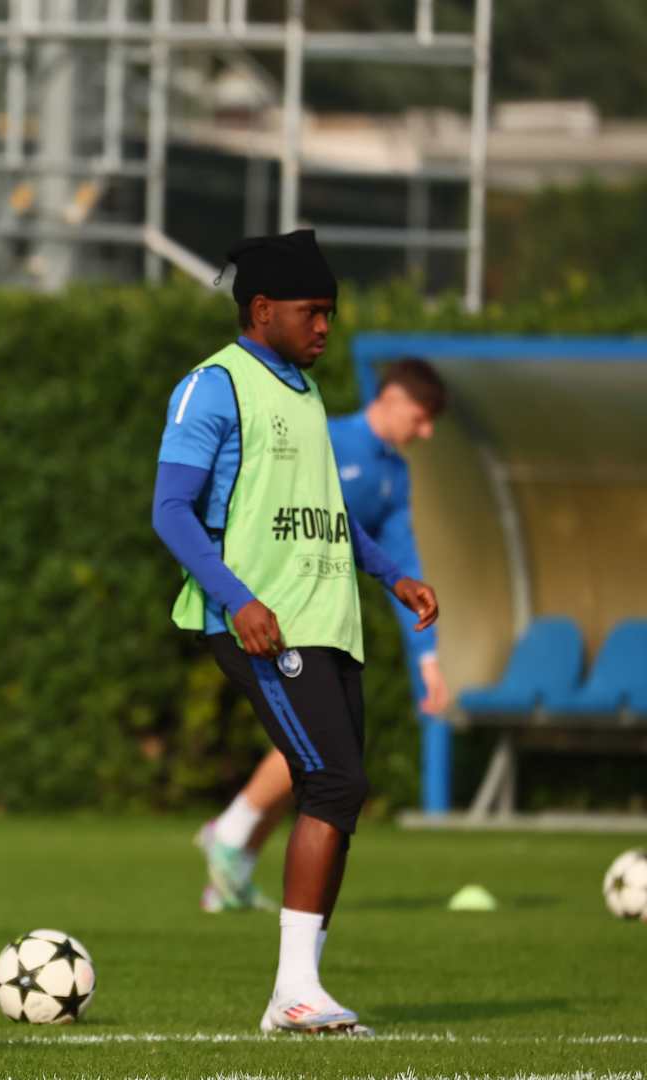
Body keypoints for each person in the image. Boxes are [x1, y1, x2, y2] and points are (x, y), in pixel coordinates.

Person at [150, 229, 438, 1035]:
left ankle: (297, 990)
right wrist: (238, 600)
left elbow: (330, 512)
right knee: (334, 784)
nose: (324, 327)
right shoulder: (214, 386)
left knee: (339, 791)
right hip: (263, 627)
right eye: (311, 311)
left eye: (330, 313)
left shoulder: (307, 393)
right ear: (261, 309)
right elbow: (170, 511)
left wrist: (391, 575)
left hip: (329, 621)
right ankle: (296, 990)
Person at [195, 359, 452, 912]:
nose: (427, 431)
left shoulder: (394, 474)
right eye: (422, 416)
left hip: (327, 617)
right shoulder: (324, 437)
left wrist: (428, 661)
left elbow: (402, 558)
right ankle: (231, 832)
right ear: (392, 398)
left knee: (308, 750)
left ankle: (231, 877)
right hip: (275, 609)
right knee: (316, 743)